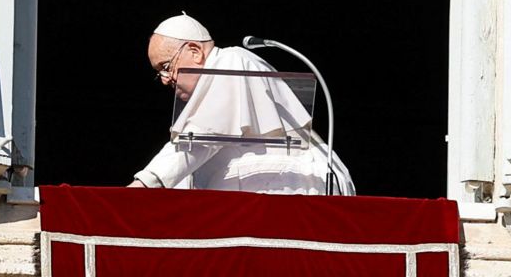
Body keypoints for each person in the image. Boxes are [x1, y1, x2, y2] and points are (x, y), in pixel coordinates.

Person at [127, 13, 355, 195]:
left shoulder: (231, 60)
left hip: (288, 184)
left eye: (166, 67)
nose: (165, 79)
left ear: (195, 51)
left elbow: (201, 137)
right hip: (274, 186)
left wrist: (144, 185)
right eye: (159, 73)